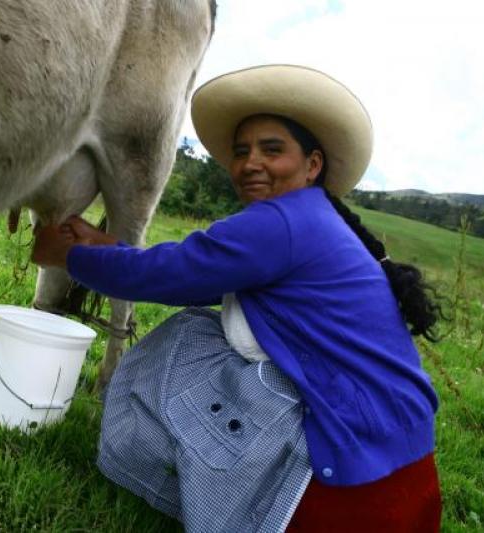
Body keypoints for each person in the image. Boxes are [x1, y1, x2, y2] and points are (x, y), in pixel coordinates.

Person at [32, 65, 443, 532]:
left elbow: (169, 276)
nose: (251, 163)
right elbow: (196, 274)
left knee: (189, 339)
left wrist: (67, 255)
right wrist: (101, 246)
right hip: (406, 475)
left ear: (312, 164)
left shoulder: (281, 222)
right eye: (242, 151)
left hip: (350, 491)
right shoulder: (311, 220)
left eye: (272, 149)